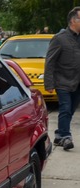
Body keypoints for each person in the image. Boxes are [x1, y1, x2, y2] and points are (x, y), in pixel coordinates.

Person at [44, 6, 80, 151]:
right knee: (65, 108)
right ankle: (65, 137)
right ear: (73, 20)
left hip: (77, 82)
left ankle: (59, 135)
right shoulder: (59, 39)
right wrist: (49, 83)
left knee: (70, 110)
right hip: (63, 81)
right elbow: (50, 62)